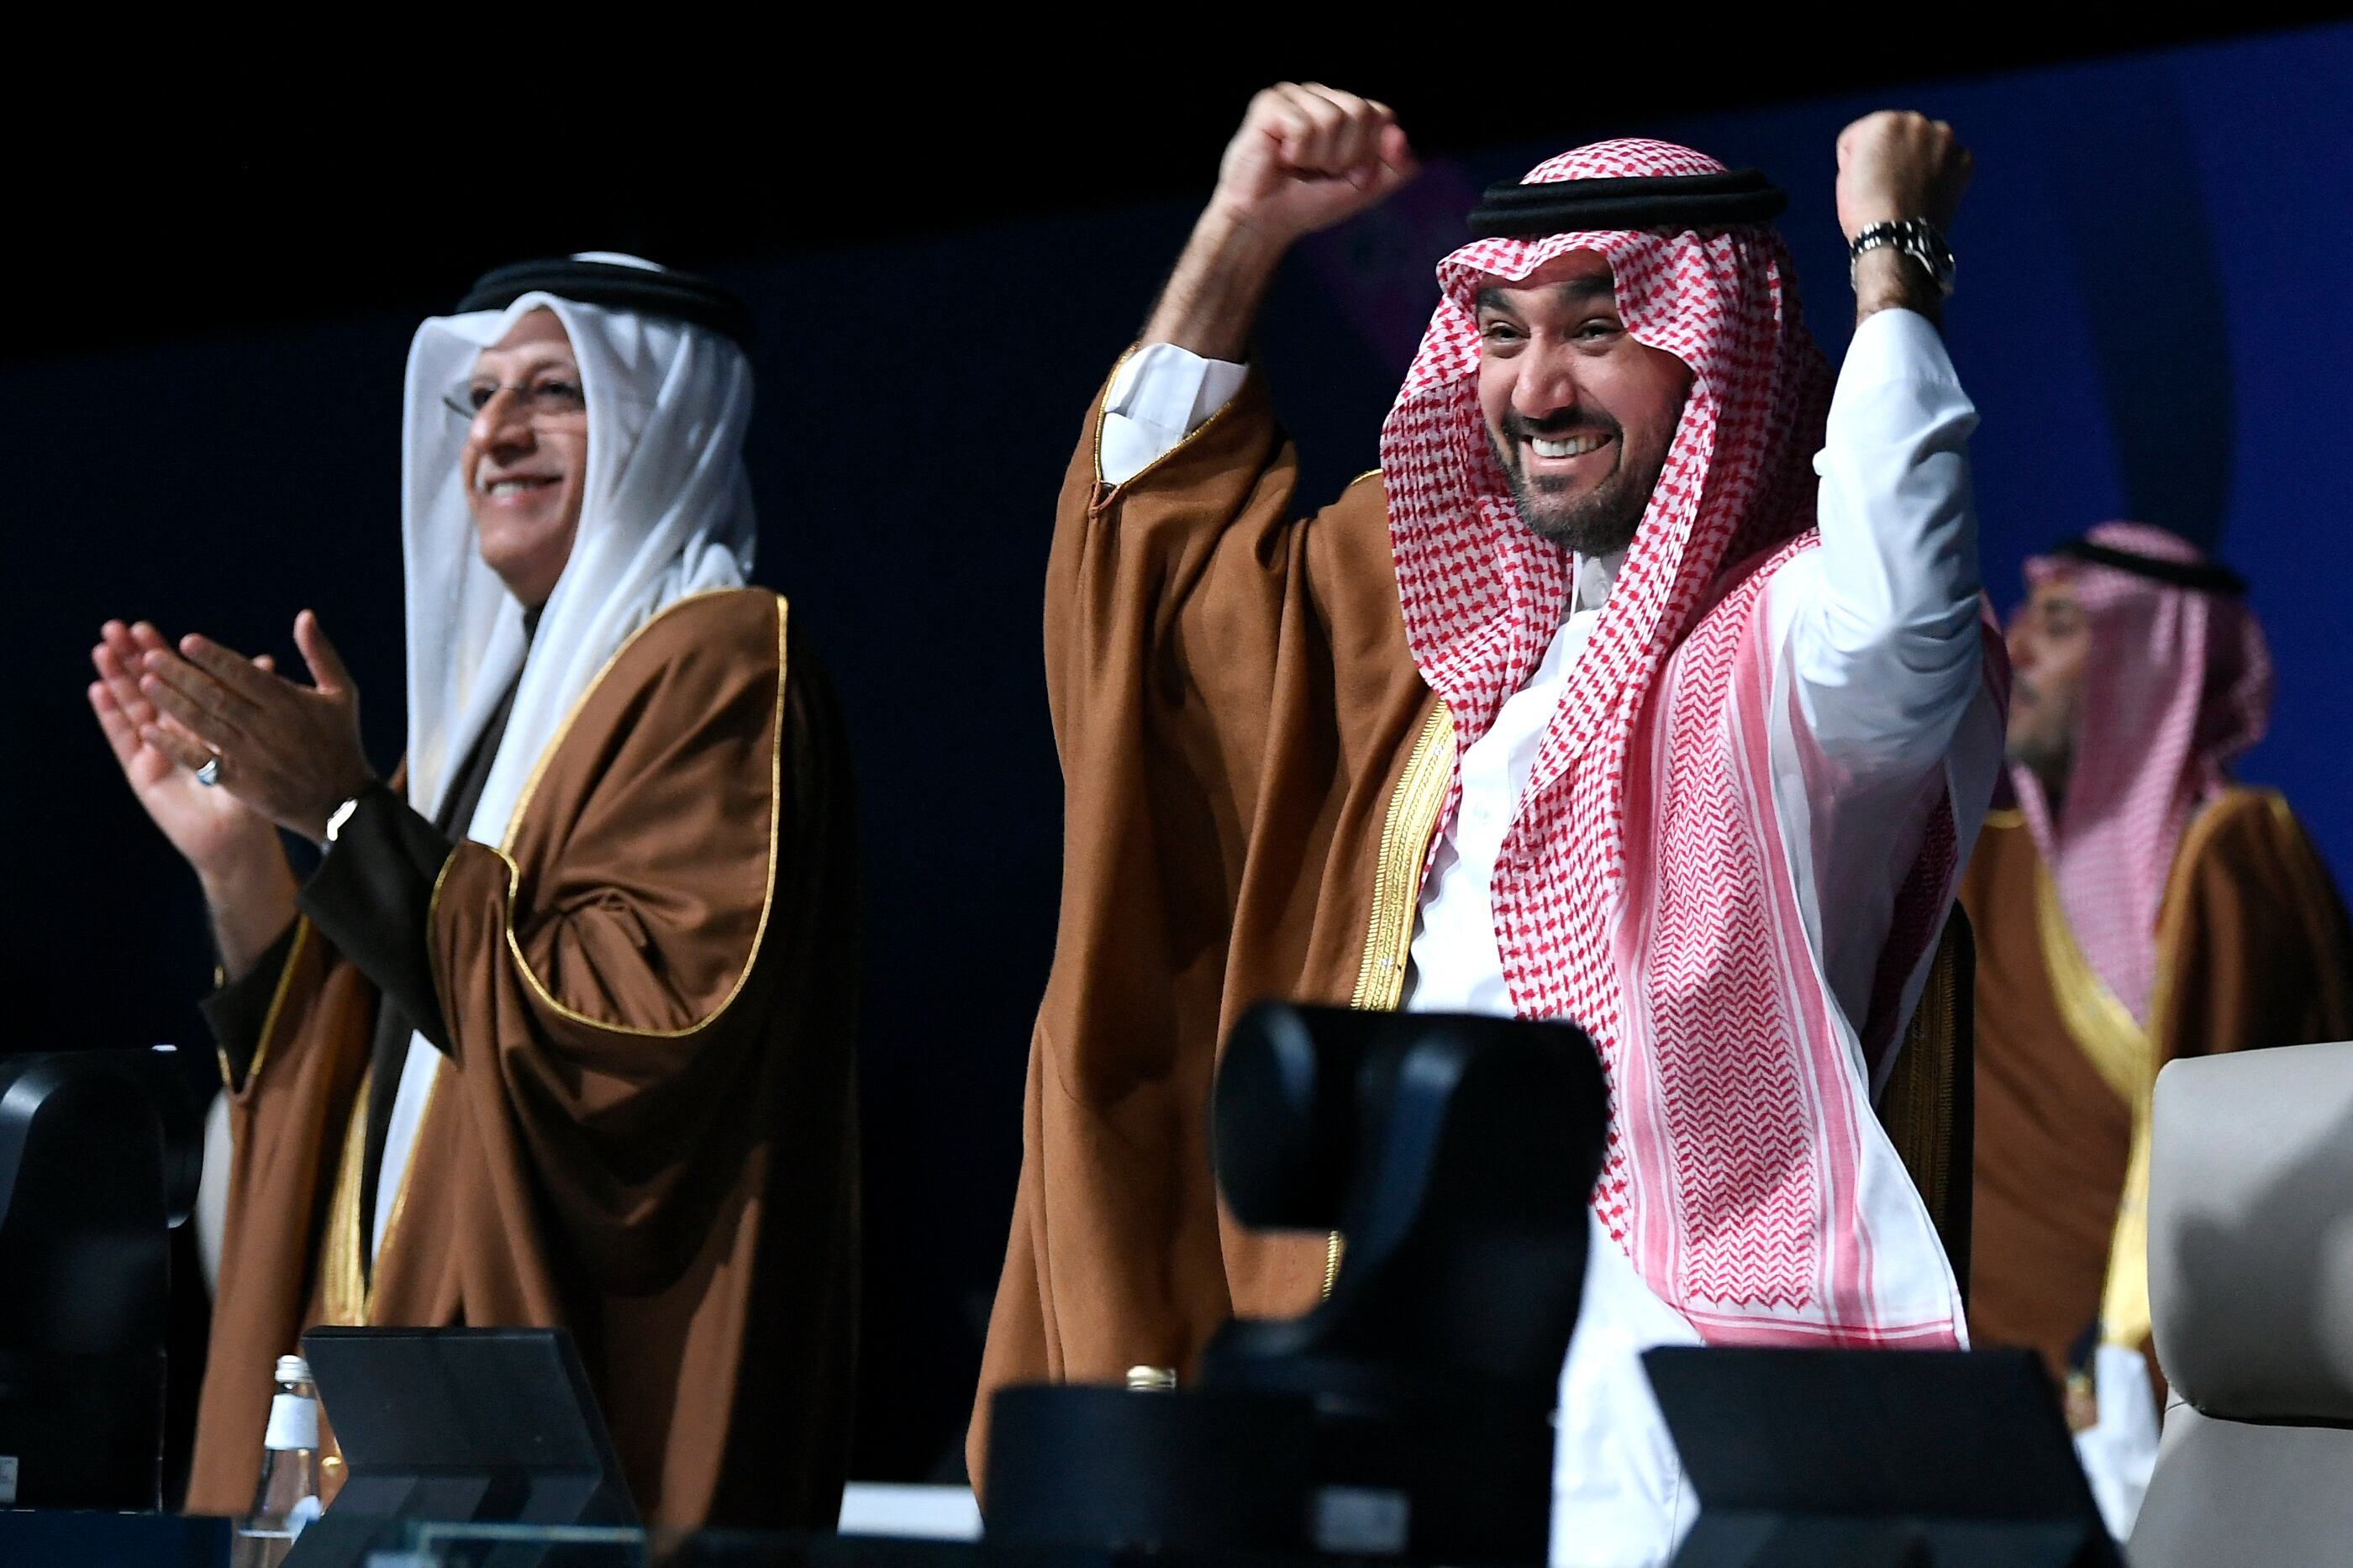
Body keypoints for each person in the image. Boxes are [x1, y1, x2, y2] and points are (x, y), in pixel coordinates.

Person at [973, 84, 2000, 1565]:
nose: (1536, 388)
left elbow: (1908, 591)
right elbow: (1157, 576)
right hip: (1416, 1397)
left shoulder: (1792, 655)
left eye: (1597, 328)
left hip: (1682, 1413)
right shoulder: (1440, 658)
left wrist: (1895, 264)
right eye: (1502, 334)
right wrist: (1240, 231)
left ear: (1717, 353)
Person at [87, 256, 860, 1530]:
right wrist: (248, 860)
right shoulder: (477, 730)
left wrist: (348, 816)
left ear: (661, 415)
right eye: (482, 397)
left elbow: (626, 1036)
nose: (495, 430)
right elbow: (371, 1052)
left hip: (575, 1430)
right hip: (404, 1434)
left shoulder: (718, 658)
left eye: (554, 391)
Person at [1966, 523, 2353, 1443]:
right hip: (1984, 1396)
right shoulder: (1985, 867)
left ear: (2146, 663)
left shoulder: (2233, 854)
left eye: (2058, 625)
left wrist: (2131, 1370)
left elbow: (2245, 1160)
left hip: (2179, 1405)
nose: (2014, 647)